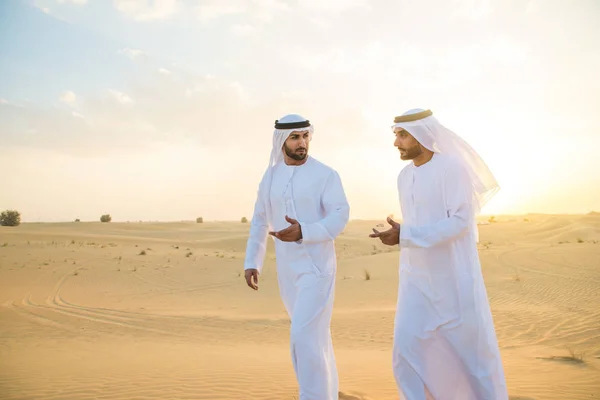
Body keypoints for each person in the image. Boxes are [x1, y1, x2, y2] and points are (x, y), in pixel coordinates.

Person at [370, 108, 508, 399]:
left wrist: (405, 234)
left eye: (403, 135)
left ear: (423, 134)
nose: (397, 143)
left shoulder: (453, 168)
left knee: (472, 358)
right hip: (416, 279)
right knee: (406, 351)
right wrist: (403, 233)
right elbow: (420, 224)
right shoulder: (404, 177)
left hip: (454, 279)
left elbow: (460, 222)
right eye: (396, 135)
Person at [243, 113, 350, 400]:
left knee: (303, 337)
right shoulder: (271, 176)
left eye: (305, 136)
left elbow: (340, 215)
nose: (302, 143)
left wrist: (305, 231)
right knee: (314, 339)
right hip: (288, 272)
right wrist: (253, 260)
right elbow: (259, 219)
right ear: (281, 141)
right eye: (295, 137)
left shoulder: (326, 174)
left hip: (318, 269)